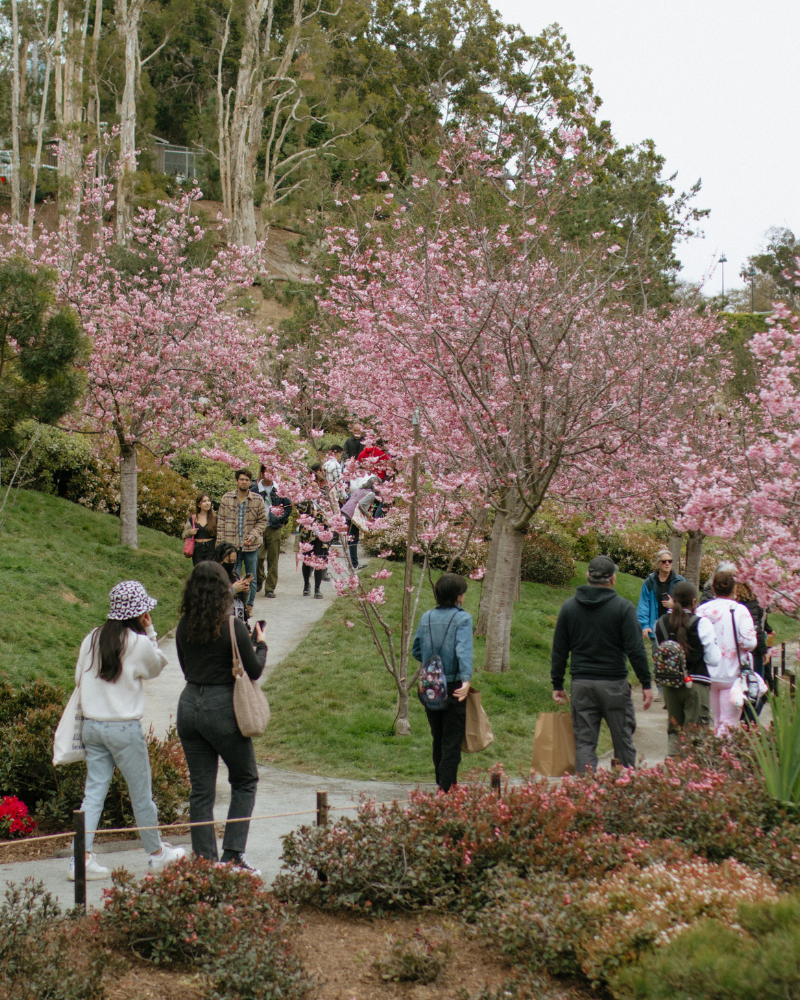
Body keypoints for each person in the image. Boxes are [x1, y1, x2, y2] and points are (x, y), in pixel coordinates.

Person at [69, 581, 186, 881]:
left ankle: (80, 859)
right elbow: (158, 667)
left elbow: (77, 677)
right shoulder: (137, 643)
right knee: (141, 794)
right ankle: (157, 855)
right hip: (123, 728)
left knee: (93, 793)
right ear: (139, 613)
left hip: (92, 727)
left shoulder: (91, 638)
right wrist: (150, 631)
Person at [176, 561, 267, 873]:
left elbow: (186, 669)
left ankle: (204, 861)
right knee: (245, 778)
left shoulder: (184, 625)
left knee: (201, 790)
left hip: (189, 705)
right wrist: (262, 645)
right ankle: (232, 855)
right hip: (222, 705)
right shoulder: (232, 626)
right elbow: (254, 669)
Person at [552, 555, 653, 774]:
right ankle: (624, 790)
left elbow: (559, 650)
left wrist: (557, 684)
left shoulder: (569, 608)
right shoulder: (623, 608)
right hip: (614, 685)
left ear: (588, 575)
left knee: (585, 743)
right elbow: (636, 650)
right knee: (623, 740)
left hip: (582, 684)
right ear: (613, 579)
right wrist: (645, 683)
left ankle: (585, 794)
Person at [411, 573, 473, 792]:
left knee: (437, 736)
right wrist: (466, 680)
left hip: (430, 686)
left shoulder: (426, 617)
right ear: (458, 596)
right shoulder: (463, 619)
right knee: (452, 739)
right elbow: (463, 651)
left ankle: (446, 783)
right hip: (454, 685)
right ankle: (446, 789)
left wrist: (432, 662)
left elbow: (416, 650)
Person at [654, 581, 721, 756]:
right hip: (696, 683)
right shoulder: (702, 624)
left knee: (675, 730)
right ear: (694, 601)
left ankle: (673, 771)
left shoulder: (660, 623)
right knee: (696, 733)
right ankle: (693, 774)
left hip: (670, 685)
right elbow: (714, 659)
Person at [696, 570, 757, 734]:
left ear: (714, 588)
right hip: (732, 673)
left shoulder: (701, 611)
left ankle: (716, 751)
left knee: (716, 719)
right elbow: (750, 643)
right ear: (734, 589)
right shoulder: (740, 611)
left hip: (708, 673)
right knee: (729, 722)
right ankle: (724, 754)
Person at [216, 468, 267, 614]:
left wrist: (252, 536)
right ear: (237, 481)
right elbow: (220, 522)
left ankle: (248, 605)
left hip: (251, 546)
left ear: (250, 482)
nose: (244, 482)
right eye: (242, 479)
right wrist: (220, 546)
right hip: (231, 547)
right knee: (232, 575)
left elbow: (263, 521)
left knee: (251, 576)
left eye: (247, 480)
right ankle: (233, 602)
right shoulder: (227, 498)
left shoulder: (257, 499)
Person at [250, 465, 292, 598]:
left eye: (273, 472)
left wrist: (282, 519)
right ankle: (260, 577)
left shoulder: (279, 489)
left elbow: (288, 507)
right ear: (262, 473)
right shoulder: (255, 489)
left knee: (273, 558)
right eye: (267, 472)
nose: (270, 475)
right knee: (258, 557)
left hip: (274, 527)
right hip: (259, 527)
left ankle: (270, 587)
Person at [638, 549, 686, 654]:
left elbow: (687, 604)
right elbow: (643, 605)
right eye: (664, 561)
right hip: (656, 628)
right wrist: (645, 626)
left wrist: (674, 605)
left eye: (670, 561)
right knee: (659, 660)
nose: (667, 564)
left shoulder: (680, 582)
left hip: (675, 626)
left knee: (676, 658)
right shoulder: (649, 582)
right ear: (657, 564)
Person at [296, 463, 332, 599]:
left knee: (320, 559)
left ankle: (317, 588)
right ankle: (306, 584)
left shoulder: (325, 498)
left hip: (322, 533)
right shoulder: (304, 499)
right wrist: (316, 514)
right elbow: (302, 512)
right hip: (307, 533)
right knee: (307, 560)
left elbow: (329, 514)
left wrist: (317, 514)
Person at [340, 475, 378, 570]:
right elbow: (361, 505)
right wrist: (368, 515)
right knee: (353, 539)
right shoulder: (371, 494)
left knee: (350, 539)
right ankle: (355, 564)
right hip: (352, 516)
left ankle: (352, 563)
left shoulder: (360, 489)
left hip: (345, 512)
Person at [213, 542, 251, 626]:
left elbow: (242, 601)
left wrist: (244, 590)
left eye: (234, 561)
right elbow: (214, 600)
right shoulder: (213, 576)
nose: (231, 564)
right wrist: (234, 589)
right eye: (229, 561)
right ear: (220, 559)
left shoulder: (234, 575)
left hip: (238, 619)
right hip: (222, 622)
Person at [182, 494, 217, 566]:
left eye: (208, 501)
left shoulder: (215, 518)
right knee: (199, 572)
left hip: (211, 548)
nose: (207, 503)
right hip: (197, 549)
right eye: (204, 501)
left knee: (209, 571)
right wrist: (190, 532)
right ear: (199, 504)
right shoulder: (192, 518)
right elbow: (183, 534)